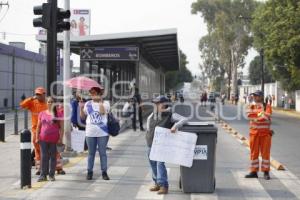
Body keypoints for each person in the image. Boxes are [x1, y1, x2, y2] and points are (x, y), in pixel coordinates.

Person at [146, 96, 188, 195]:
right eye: (155, 103)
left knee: (160, 164)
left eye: (158, 103)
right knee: (152, 163)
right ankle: (157, 183)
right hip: (150, 142)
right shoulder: (153, 114)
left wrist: (174, 126)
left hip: (162, 144)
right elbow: (148, 125)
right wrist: (148, 135)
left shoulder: (170, 114)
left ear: (164, 104)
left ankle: (164, 185)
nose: (156, 105)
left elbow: (184, 119)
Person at [80, 87, 110, 181]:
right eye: (90, 93)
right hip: (90, 132)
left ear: (98, 93)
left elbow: (102, 112)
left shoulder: (106, 103)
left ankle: (104, 172)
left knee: (102, 153)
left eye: (93, 93)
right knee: (91, 153)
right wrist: (81, 108)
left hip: (102, 132)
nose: (91, 95)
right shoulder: (88, 104)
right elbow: (83, 117)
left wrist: (100, 101)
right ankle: (89, 172)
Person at [245, 90, 272, 180]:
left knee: (265, 154)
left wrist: (256, 115)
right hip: (254, 134)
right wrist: (260, 114)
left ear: (261, 97)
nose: (255, 97)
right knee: (253, 153)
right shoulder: (251, 105)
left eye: (256, 96)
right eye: (254, 96)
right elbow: (249, 115)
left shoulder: (267, 106)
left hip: (265, 134)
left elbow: (267, 116)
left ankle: (266, 172)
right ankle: (253, 171)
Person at [20, 87, 48, 175]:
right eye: (37, 94)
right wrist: (31, 98)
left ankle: (58, 168)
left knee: (51, 148)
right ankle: (39, 168)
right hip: (36, 130)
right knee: (37, 149)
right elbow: (22, 105)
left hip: (47, 130)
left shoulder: (48, 103)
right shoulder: (33, 103)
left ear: (44, 94)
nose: (38, 96)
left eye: (40, 94)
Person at [36, 96, 64, 182]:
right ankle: (43, 175)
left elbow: (62, 128)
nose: (50, 103)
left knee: (53, 157)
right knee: (44, 157)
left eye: (52, 102)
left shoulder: (58, 114)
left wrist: (60, 139)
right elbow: (38, 127)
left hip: (54, 140)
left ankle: (51, 175)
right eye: (48, 102)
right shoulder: (42, 113)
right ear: (46, 103)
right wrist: (37, 137)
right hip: (43, 139)